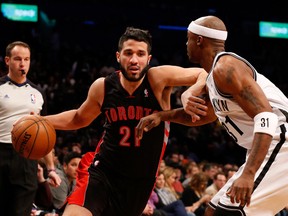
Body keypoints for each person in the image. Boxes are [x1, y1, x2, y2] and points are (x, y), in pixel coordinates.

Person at [44, 27, 207, 216]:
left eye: (140, 54)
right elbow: (78, 118)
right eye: (128, 53)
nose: (134, 60)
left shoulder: (158, 78)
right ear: (118, 56)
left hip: (140, 182)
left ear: (148, 58)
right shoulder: (103, 86)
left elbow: (203, 74)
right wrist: (41, 120)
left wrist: (190, 93)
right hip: (102, 173)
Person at [135, 15, 288, 215]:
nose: (186, 43)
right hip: (270, 145)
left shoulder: (226, 68)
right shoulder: (214, 77)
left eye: (188, 38)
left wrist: (249, 173)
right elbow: (202, 116)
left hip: (281, 142)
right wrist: (162, 116)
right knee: (212, 211)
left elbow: (266, 117)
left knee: (228, 212)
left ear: (199, 40)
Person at [0, 41, 61, 216]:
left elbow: (46, 131)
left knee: (21, 212)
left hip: (27, 157)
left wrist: (50, 169)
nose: (22, 63)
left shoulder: (38, 92)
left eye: (26, 59)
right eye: (18, 59)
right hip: (1, 149)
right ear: (7, 60)